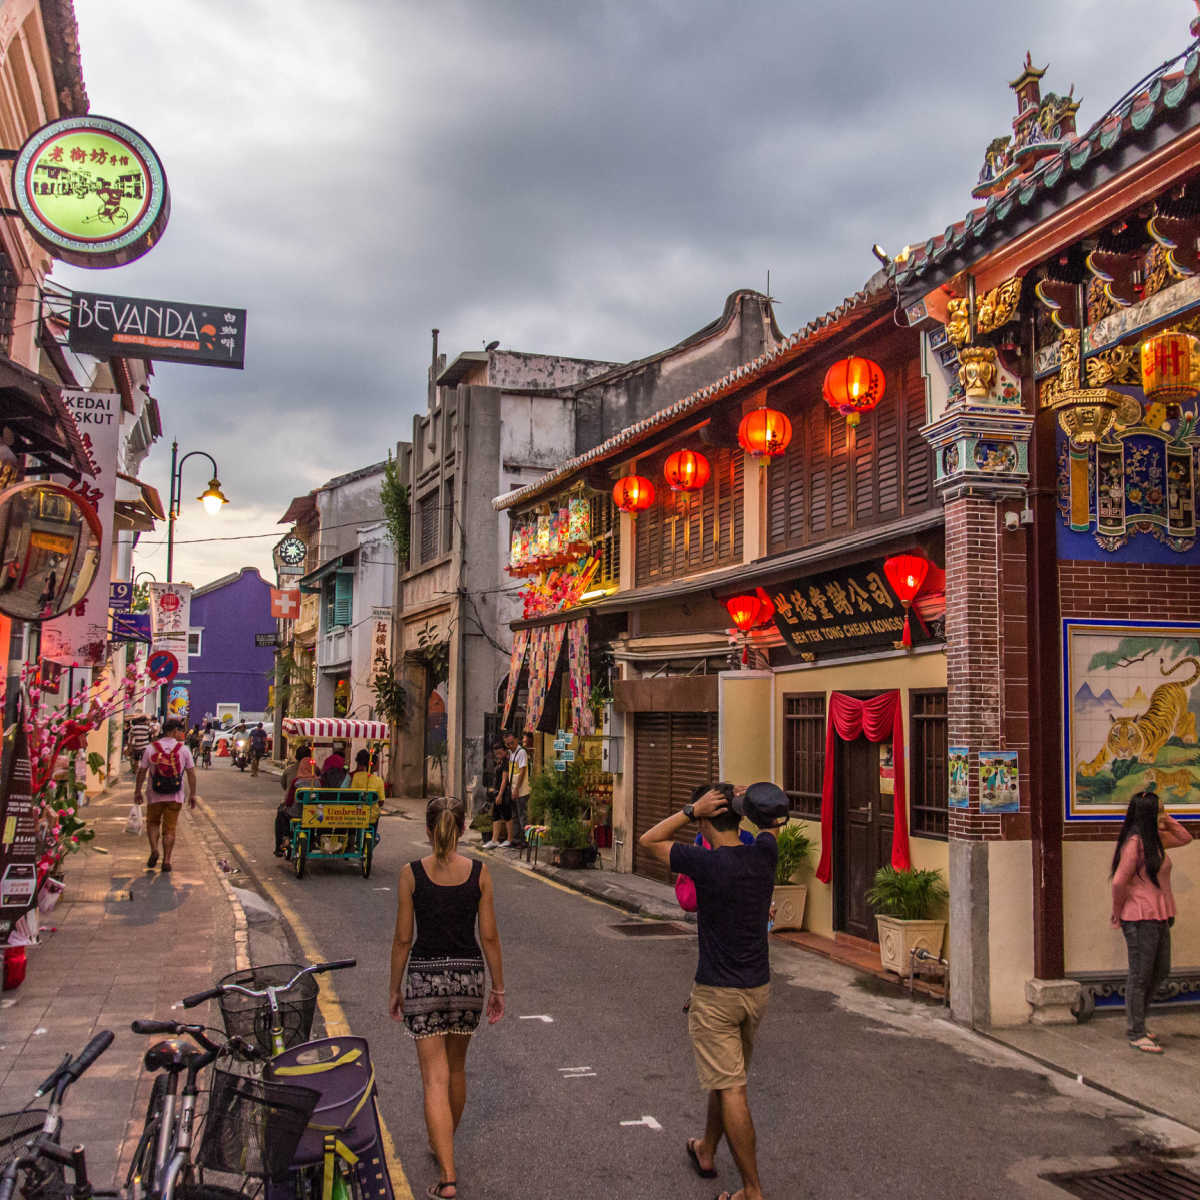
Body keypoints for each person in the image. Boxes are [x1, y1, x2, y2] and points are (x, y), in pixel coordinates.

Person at [639, 781, 785, 1200]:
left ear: (705, 821)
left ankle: (752, 1190)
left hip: (717, 993)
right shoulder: (764, 854)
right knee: (727, 1078)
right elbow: (773, 817)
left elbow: (650, 839)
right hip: (757, 990)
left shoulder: (705, 862)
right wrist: (747, 800)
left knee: (732, 1087)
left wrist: (690, 809)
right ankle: (706, 1148)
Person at [389, 796, 504, 1200]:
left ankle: (448, 1174)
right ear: (464, 828)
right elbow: (488, 936)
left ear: (427, 828)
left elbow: (404, 938)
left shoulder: (410, 874)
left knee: (433, 1079)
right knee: (456, 1070)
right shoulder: (480, 872)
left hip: (424, 978)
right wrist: (498, 987)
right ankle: (444, 1143)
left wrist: (394, 987)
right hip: (469, 979)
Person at [1111, 789, 1193, 1053]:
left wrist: (1167, 818)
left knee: (1161, 970)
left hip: (1160, 914)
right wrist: (1117, 910)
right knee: (1140, 974)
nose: (1162, 811)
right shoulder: (1135, 843)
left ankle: (1139, 1023)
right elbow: (1118, 881)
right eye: (1159, 808)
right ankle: (1136, 1031)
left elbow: (1185, 837)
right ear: (1148, 813)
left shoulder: (1154, 839)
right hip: (1139, 917)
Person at [134, 716, 199, 873]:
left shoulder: (151, 748)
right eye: (180, 731)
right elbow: (191, 773)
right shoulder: (183, 750)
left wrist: (137, 791)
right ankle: (167, 860)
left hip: (154, 794)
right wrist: (192, 794)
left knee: (153, 823)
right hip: (175, 795)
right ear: (175, 731)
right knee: (170, 829)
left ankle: (154, 850)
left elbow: (141, 771)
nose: (182, 734)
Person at [276, 746, 317, 856]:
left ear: (296, 757)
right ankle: (312, 841)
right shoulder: (316, 775)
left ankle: (281, 844)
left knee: (281, 813)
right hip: (314, 812)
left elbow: (286, 791)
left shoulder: (293, 775)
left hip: (296, 811)